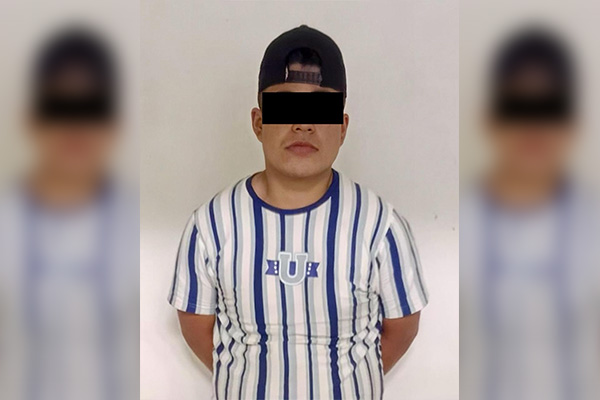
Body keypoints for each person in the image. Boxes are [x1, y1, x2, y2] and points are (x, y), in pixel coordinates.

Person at [168, 25, 428, 400]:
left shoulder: (380, 226)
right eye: (286, 107)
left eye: (320, 109)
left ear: (342, 126)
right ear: (258, 122)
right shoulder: (211, 225)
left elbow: (402, 327)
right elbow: (196, 324)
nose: (303, 124)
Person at [460, 27, 600, 400]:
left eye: (549, 110)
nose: (533, 128)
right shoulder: (459, 231)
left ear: (572, 125)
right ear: (490, 120)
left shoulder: (592, 226)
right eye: (518, 109)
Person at [0, 27, 139, 400]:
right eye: (60, 109)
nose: (75, 127)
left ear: (114, 125)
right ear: (31, 119)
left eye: (91, 110)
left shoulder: (144, 237)